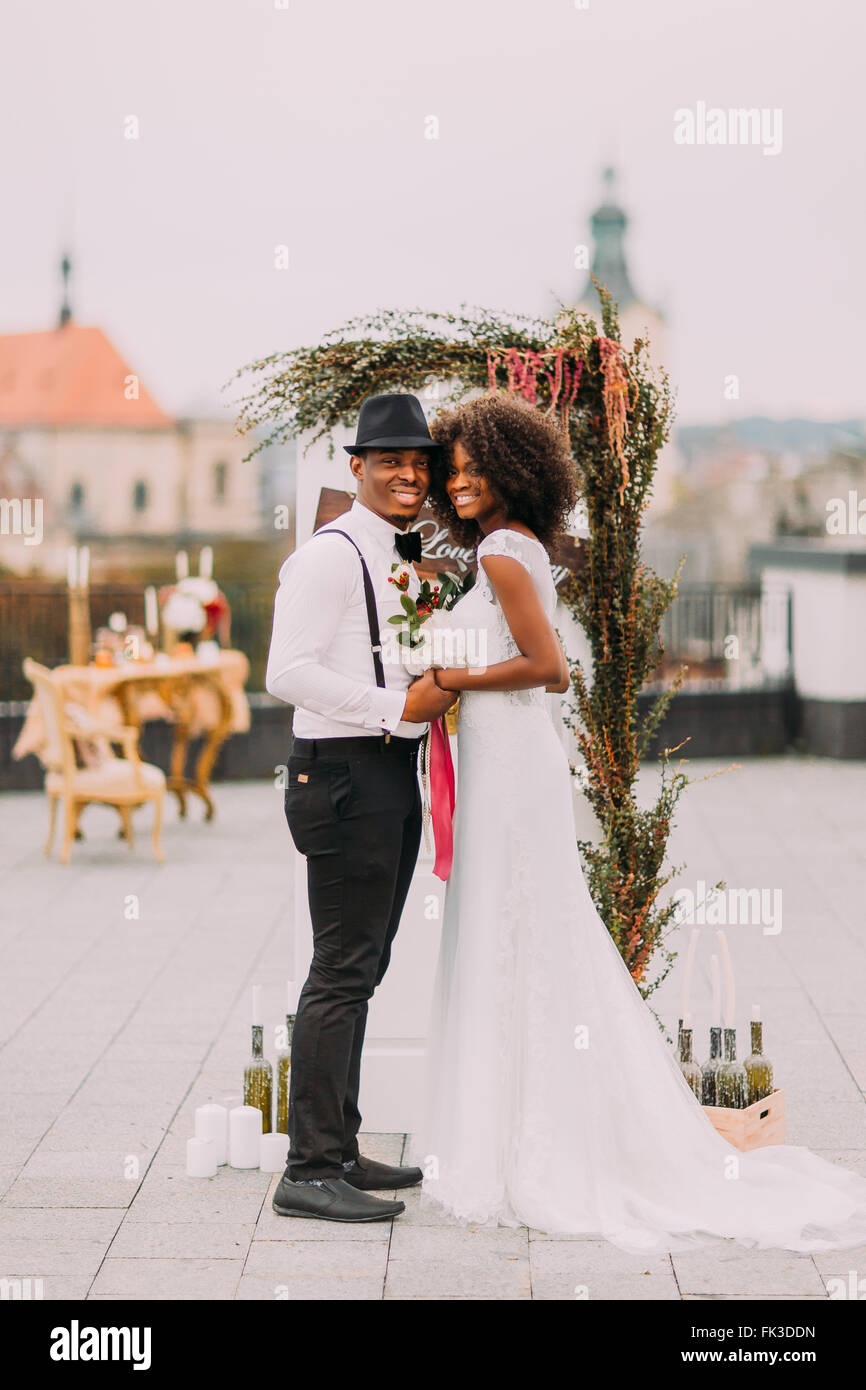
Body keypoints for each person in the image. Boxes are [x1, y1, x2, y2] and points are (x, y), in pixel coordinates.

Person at [409, 389, 866, 1254]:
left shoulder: (507, 553)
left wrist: (451, 677)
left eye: (474, 469)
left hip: (512, 776)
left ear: (511, 470)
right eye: (452, 471)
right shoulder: (513, 548)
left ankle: (521, 1143)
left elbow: (547, 669)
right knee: (530, 937)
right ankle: (529, 1128)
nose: (460, 483)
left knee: (517, 935)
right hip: (511, 770)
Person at [265, 392, 456, 1224]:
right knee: (340, 971)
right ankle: (308, 1169)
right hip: (342, 776)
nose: (409, 474)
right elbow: (287, 671)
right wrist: (396, 707)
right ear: (358, 468)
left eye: (420, 462)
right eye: (391, 461)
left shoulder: (396, 554)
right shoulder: (333, 556)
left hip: (384, 775)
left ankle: (338, 1145)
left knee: (363, 966)